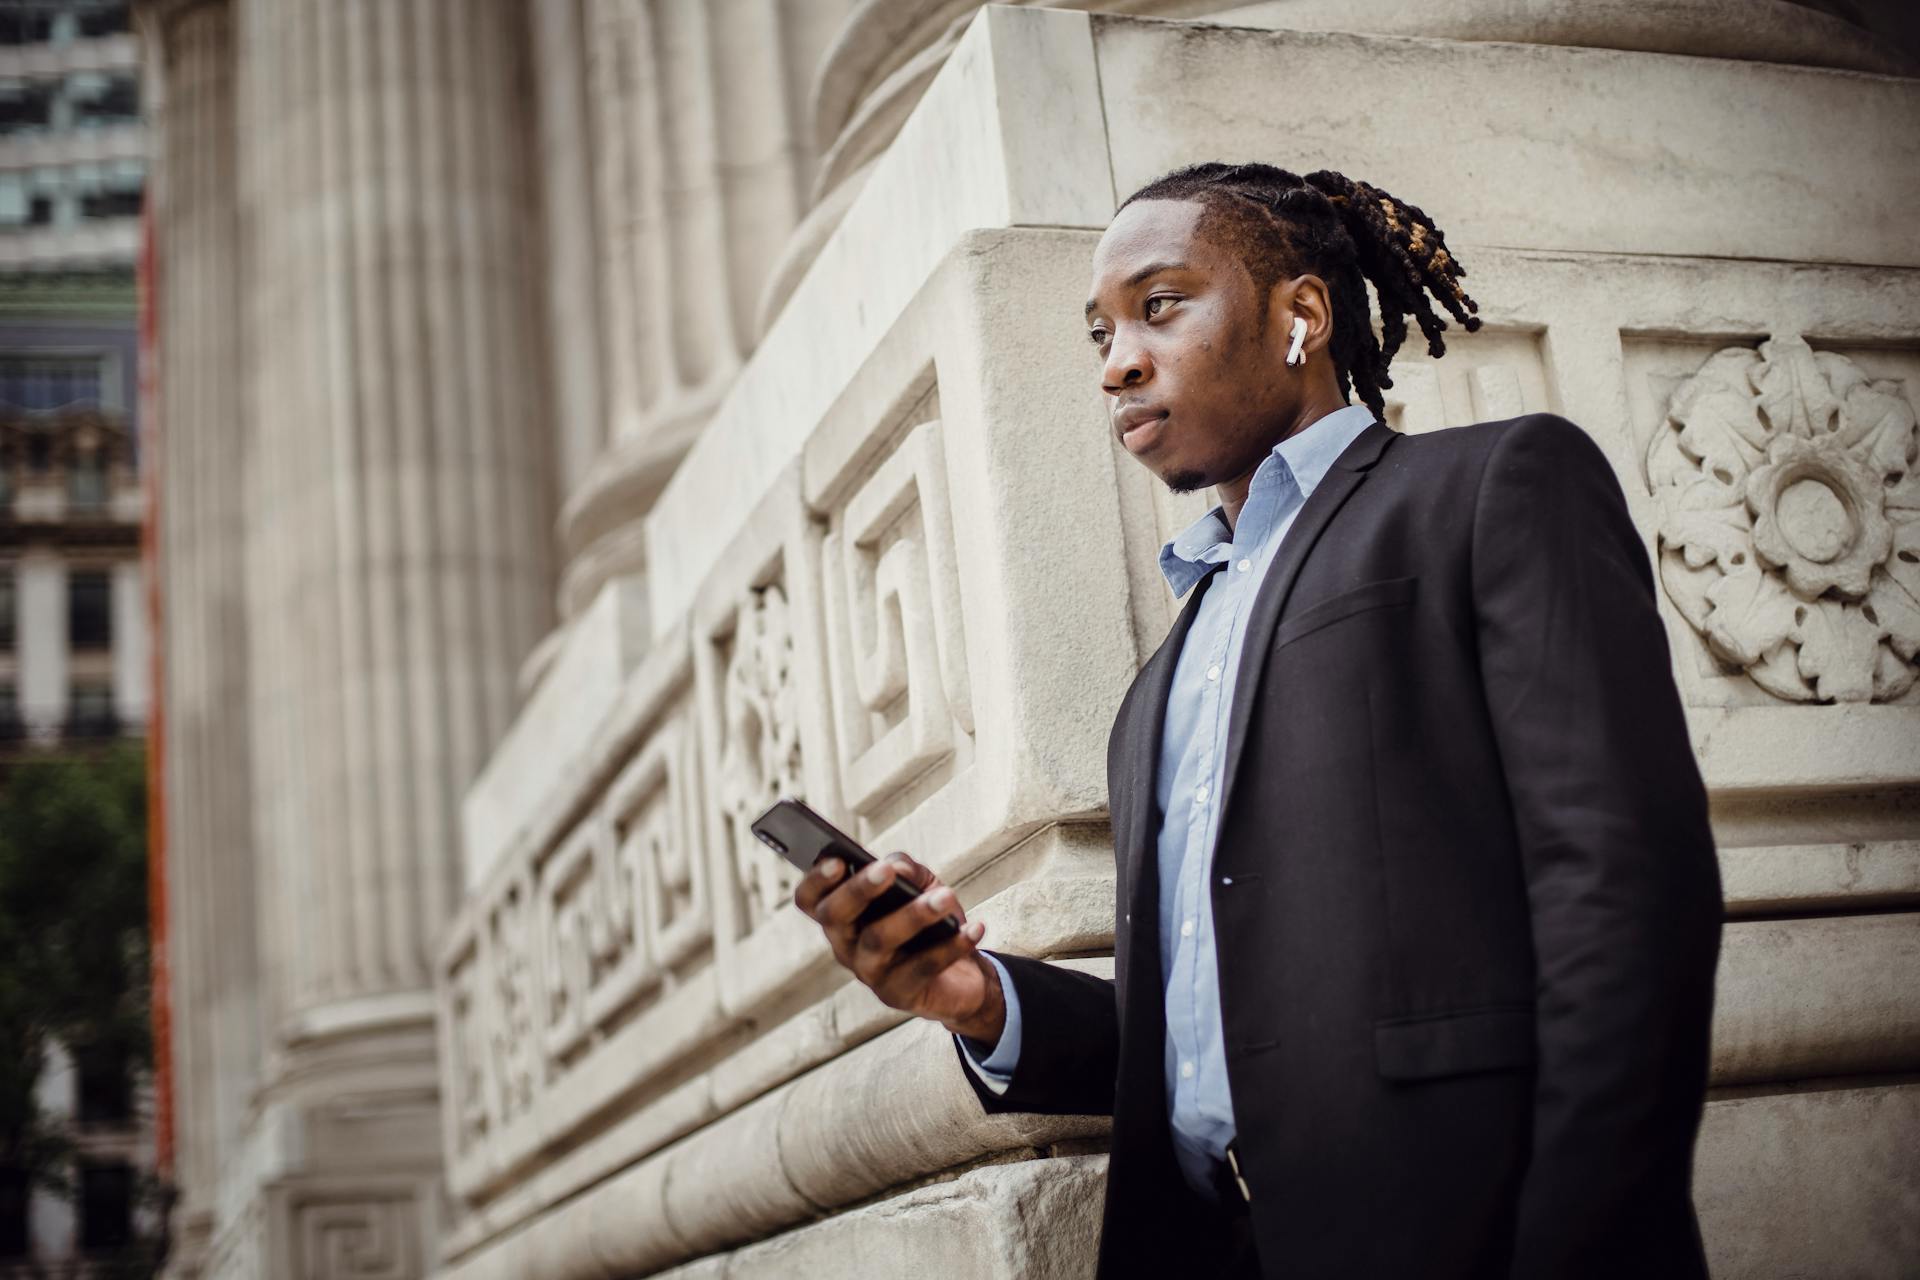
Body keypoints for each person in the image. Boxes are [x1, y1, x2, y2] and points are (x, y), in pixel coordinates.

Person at [792, 161, 1723, 1279]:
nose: (1118, 360)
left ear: (1302, 314)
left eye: (1161, 304)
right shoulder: (1155, 694)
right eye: (1100, 332)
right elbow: (1218, 1028)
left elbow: (1624, 889)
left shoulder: (1491, 489)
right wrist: (979, 999)